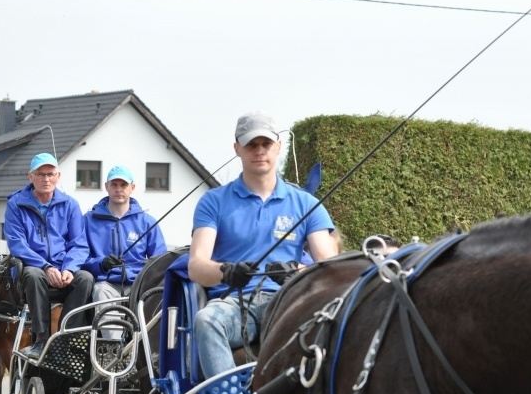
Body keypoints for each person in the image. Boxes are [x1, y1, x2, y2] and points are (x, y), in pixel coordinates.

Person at [188, 111, 340, 378]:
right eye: (251, 144)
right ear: (237, 149)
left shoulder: (306, 204)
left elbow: (329, 266)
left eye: (266, 144)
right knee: (206, 320)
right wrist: (226, 271)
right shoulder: (213, 201)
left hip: (289, 301)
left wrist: (297, 272)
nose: (259, 151)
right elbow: (197, 266)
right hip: (233, 304)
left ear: (278, 146)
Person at [5, 153, 93, 358]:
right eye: (41, 174)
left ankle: (66, 339)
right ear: (30, 177)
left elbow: (79, 244)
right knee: (34, 275)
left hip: (63, 269)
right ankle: (41, 339)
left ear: (58, 176)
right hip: (33, 267)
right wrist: (46, 267)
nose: (46, 179)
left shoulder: (70, 205)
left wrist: (69, 269)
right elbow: (17, 244)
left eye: (51, 174)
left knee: (86, 278)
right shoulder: (15, 204)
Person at [82, 165, 168, 339]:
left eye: (123, 185)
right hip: (106, 285)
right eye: (114, 185)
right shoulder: (87, 220)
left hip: (139, 286)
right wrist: (101, 264)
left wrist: (144, 277)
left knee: (159, 295)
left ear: (132, 188)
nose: (119, 189)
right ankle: (115, 353)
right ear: (106, 186)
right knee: (100, 291)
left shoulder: (147, 222)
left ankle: (147, 352)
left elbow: (160, 260)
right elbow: (79, 257)